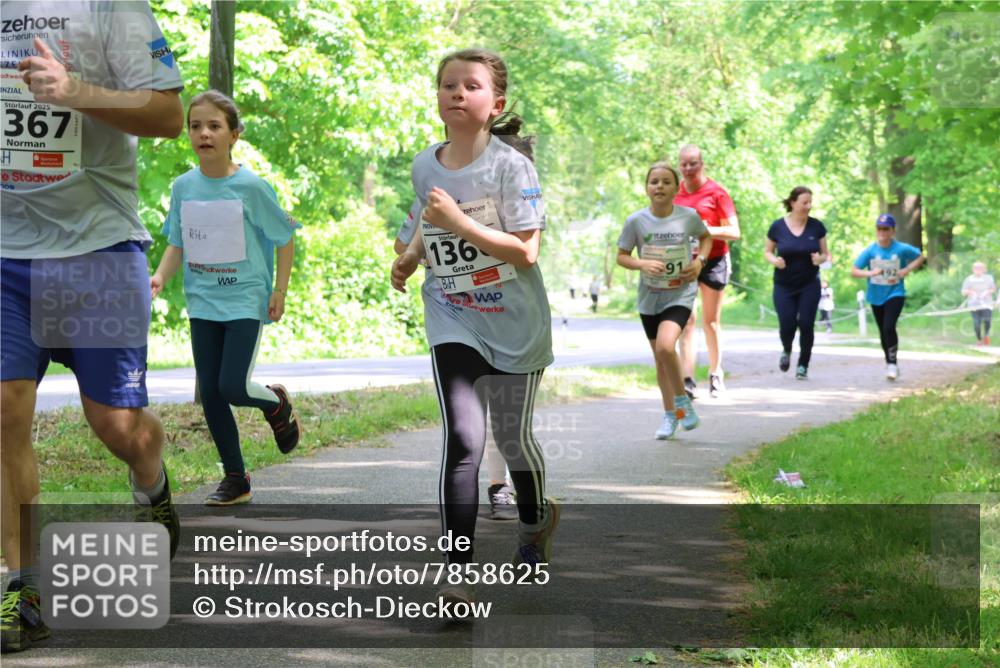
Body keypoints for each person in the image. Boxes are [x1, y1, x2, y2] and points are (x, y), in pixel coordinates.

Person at [1, 2, 182, 653]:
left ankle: (151, 480)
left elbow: (169, 115)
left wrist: (74, 92)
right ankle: (21, 592)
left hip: (98, 250)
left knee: (118, 427)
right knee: (3, 411)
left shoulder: (114, 8)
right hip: (7, 255)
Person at [390, 49, 558, 605]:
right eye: (448, 85)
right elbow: (425, 216)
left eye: (471, 86)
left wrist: (458, 222)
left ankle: (533, 525)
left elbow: (526, 253)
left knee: (511, 441)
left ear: (496, 104)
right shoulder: (424, 163)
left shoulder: (513, 168)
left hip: (514, 324)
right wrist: (413, 255)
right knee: (464, 439)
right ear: (437, 98)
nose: (457, 93)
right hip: (452, 311)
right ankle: (458, 573)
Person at [150, 91, 301, 505]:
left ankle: (276, 404)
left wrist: (279, 290)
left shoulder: (252, 187)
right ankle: (237, 478)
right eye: (195, 125)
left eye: (214, 125)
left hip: (244, 300)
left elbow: (285, 238)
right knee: (211, 394)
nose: (204, 133)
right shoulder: (184, 187)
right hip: (203, 303)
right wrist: (160, 278)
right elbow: (177, 242)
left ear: (233, 134)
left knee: (233, 385)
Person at [617, 161, 711, 439]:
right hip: (650, 297)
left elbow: (705, 239)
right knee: (660, 359)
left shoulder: (688, 216)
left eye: (666, 181)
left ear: (676, 187)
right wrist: (642, 264)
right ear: (647, 188)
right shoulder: (636, 221)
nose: (659, 186)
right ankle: (671, 416)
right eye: (654, 181)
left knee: (666, 346)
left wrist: (700, 262)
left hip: (679, 292)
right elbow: (622, 257)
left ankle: (682, 402)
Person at [674, 145, 740, 399]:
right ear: (679, 166)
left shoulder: (717, 193)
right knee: (687, 321)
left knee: (710, 322)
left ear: (702, 164)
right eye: (684, 164)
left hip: (714, 260)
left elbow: (734, 231)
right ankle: (688, 379)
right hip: (686, 262)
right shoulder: (675, 194)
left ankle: (715, 373)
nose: (688, 169)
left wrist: (705, 230)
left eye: (693, 163)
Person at [764, 187, 830, 380]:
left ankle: (803, 364)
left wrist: (820, 259)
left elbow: (825, 254)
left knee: (806, 323)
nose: (808, 206)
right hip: (784, 284)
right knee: (787, 322)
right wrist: (774, 260)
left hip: (809, 283)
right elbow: (768, 251)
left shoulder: (817, 226)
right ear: (793, 203)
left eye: (810, 202)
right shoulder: (777, 227)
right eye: (804, 202)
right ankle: (786, 349)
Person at [851, 214, 925, 380]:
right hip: (876, 295)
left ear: (892, 231)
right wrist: (871, 273)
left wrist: (906, 270)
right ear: (876, 230)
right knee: (882, 331)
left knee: (888, 327)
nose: (882, 232)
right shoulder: (871, 250)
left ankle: (892, 363)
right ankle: (890, 363)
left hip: (895, 292)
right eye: (879, 228)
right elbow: (854, 270)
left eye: (886, 229)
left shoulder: (901, 248)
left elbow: (920, 257)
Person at [961, 261, 995, 346]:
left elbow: (993, 289)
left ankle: (986, 335)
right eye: (976, 268)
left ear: (984, 269)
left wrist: (986, 292)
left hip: (986, 304)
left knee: (987, 321)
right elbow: (963, 291)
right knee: (977, 323)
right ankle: (979, 339)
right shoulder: (969, 279)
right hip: (974, 305)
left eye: (980, 268)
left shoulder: (989, 278)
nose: (978, 270)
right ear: (973, 269)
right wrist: (971, 292)